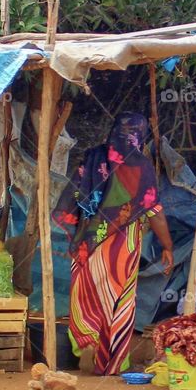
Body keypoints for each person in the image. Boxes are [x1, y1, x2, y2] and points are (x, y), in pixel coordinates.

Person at [52, 111, 174, 375]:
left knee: (84, 297)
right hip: (123, 246)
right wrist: (167, 246)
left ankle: (87, 341)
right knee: (120, 300)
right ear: (139, 136)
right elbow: (155, 211)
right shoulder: (140, 166)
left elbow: (73, 197)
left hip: (88, 242)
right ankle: (113, 362)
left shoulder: (93, 157)